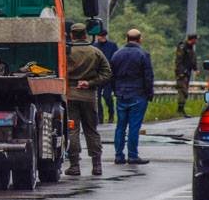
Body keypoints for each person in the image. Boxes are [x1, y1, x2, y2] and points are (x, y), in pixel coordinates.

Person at [65, 22, 113, 177]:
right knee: (91, 130)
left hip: (70, 94)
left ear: (72, 35)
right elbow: (107, 73)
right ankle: (97, 165)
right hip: (89, 96)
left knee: (73, 130)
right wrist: (90, 82)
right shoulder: (95, 52)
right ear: (85, 34)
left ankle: (74, 165)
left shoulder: (66, 52)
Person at [110, 28, 154, 166]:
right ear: (140, 39)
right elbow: (148, 76)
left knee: (120, 126)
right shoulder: (143, 54)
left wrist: (115, 91)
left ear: (126, 38)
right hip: (138, 94)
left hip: (121, 94)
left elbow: (112, 75)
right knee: (134, 127)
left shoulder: (117, 54)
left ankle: (118, 155)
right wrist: (149, 93)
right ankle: (133, 155)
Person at [94, 31, 118, 123]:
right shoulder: (94, 46)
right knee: (97, 98)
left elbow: (115, 59)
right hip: (97, 75)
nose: (101, 37)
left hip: (108, 76)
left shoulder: (112, 46)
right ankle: (100, 117)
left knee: (107, 96)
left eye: (102, 36)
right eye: (100, 36)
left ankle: (111, 113)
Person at [173, 33, 198, 117]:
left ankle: (181, 109)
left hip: (187, 73)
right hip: (182, 73)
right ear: (193, 39)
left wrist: (195, 68)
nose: (196, 41)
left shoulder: (190, 48)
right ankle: (180, 109)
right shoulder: (183, 47)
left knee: (185, 92)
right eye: (196, 39)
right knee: (183, 91)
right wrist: (180, 73)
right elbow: (179, 60)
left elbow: (192, 60)